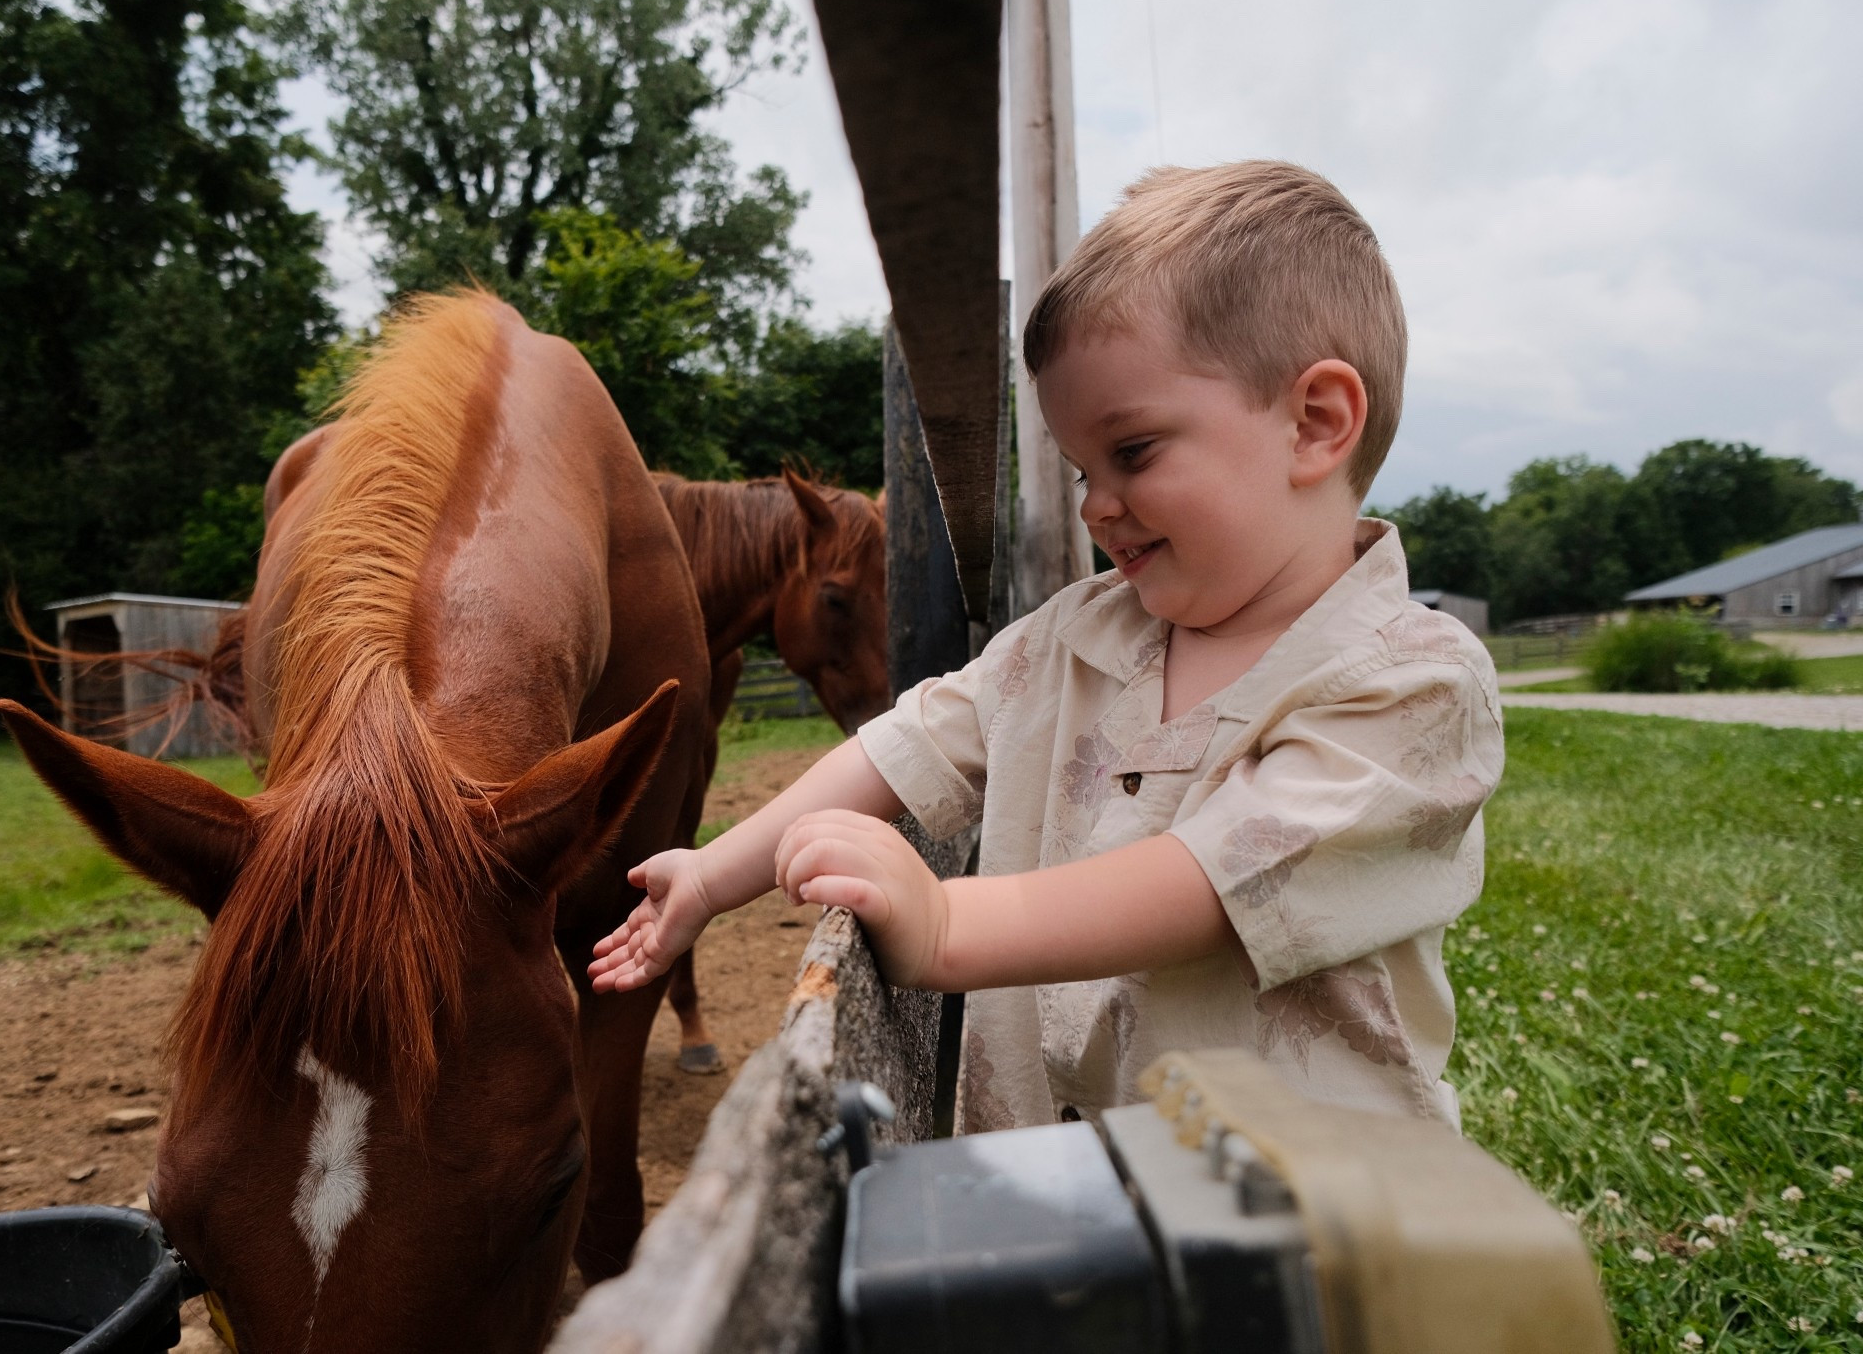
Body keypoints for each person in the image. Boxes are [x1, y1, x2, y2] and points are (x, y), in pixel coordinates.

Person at [590, 161, 1503, 1130]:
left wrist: (947, 924)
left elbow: (1212, 883)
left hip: (1301, 1205)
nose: (1094, 506)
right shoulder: (1071, 639)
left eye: (1132, 452)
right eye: (1079, 470)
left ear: (1314, 424)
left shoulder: (1410, 684)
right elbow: (904, 745)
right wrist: (712, 873)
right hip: (1048, 1185)